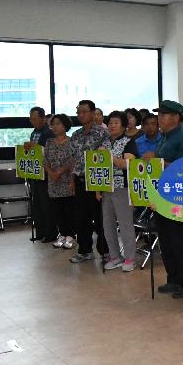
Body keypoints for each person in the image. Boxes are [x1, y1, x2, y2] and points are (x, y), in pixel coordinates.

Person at [143, 100, 183, 299]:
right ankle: (173, 278)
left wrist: (159, 162)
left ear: (175, 117)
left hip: (178, 197)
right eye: (159, 115)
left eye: (164, 115)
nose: (160, 118)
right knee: (166, 240)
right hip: (162, 195)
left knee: (181, 240)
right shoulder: (163, 137)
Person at [69, 99, 110, 264]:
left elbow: (105, 158)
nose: (81, 115)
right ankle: (85, 250)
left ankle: (105, 251)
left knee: (100, 219)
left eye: (84, 111)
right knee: (81, 218)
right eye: (78, 112)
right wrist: (72, 179)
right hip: (79, 181)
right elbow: (73, 159)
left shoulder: (102, 133)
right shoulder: (76, 134)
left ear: (93, 113)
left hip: (96, 182)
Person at [99, 111, 139, 273]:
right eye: (110, 123)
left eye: (116, 122)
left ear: (123, 125)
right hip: (106, 187)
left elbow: (127, 164)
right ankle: (115, 256)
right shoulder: (104, 142)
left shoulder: (129, 142)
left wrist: (110, 157)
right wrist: (98, 188)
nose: (112, 125)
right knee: (107, 225)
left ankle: (130, 258)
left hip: (123, 187)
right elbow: (97, 166)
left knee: (125, 224)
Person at [45, 114, 77, 250]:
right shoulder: (49, 142)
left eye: (58, 124)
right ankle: (62, 235)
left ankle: (70, 236)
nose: (55, 126)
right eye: (53, 124)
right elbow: (45, 160)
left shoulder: (71, 142)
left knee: (69, 210)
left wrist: (60, 171)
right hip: (53, 182)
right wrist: (51, 172)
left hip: (67, 180)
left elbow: (73, 161)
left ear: (65, 126)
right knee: (56, 211)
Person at [26, 106, 56, 243]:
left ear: (43, 118)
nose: (33, 121)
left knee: (46, 205)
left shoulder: (48, 133)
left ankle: (50, 233)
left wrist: (34, 147)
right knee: (37, 204)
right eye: (31, 119)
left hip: (45, 173)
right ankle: (40, 231)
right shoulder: (34, 132)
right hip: (35, 173)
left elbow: (48, 151)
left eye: (36, 119)